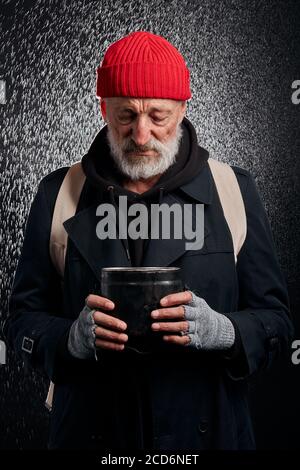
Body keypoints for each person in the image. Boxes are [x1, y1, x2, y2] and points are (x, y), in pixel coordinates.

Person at [4, 31, 293, 450]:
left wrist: (224, 331)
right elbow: (21, 320)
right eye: (125, 115)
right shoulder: (58, 193)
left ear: (182, 109)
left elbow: (277, 321)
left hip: (206, 436)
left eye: (157, 115)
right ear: (103, 109)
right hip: (91, 435)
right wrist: (70, 340)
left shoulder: (233, 190)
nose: (141, 135)